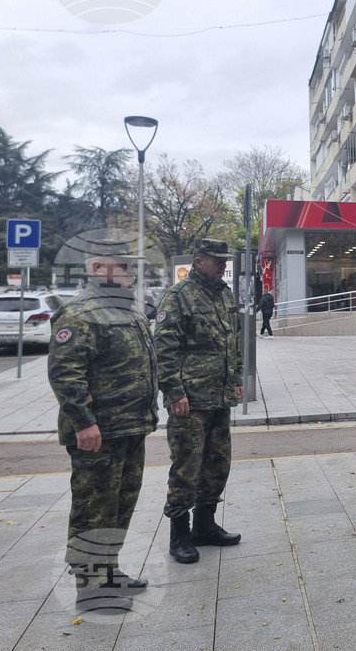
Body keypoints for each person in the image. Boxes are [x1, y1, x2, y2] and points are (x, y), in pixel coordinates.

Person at [48, 233, 158, 612]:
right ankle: (90, 587)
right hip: (99, 432)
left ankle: (108, 571)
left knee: (119, 505)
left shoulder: (127, 308)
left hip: (129, 426)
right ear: (97, 268)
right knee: (94, 507)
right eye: (124, 266)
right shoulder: (80, 312)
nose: (131, 272)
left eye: (133, 266)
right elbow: (65, 374)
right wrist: (83, 423)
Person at [155, 239, 243, 564]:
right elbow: (164, 347)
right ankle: (179, 535)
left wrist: (236, 378)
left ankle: (205, 527)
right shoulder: (179, 296)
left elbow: (233, 340)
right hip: (189, 401)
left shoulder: (224, 293)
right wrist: (174, 392)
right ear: (198, 260)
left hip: (219, 397)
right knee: (186, 468)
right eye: (216, 260)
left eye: (224, 260)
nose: (222, 265)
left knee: (218, 463)